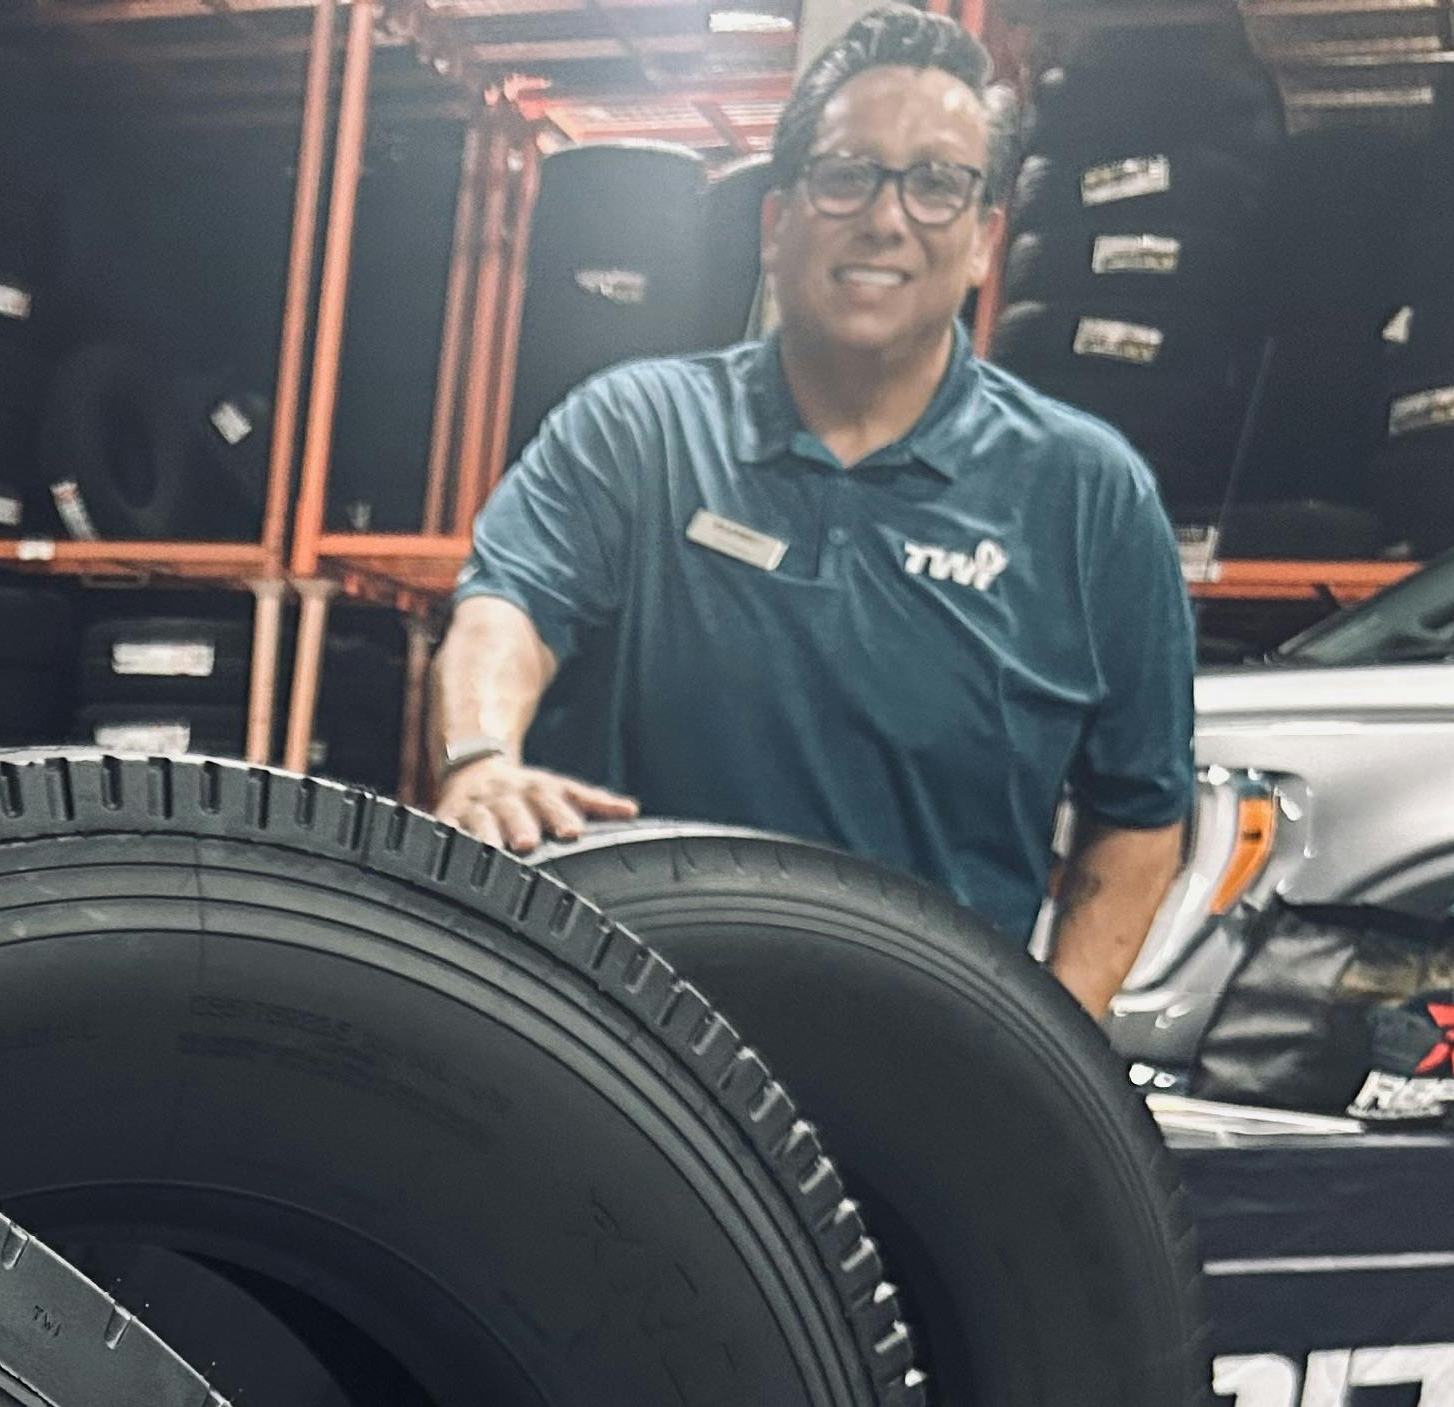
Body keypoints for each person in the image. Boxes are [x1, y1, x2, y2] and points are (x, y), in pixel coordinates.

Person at [429, 3, 1191, 1017]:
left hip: (916, 1085)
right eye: (846, 175)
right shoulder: (641, 430)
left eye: (935, 185)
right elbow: (503, 613)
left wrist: (1054, 1050)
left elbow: (1140, 815)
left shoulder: (1089, 497)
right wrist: (480, 756)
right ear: (775, 221)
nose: (886, 218)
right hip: (620, 1052)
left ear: (983, 241)